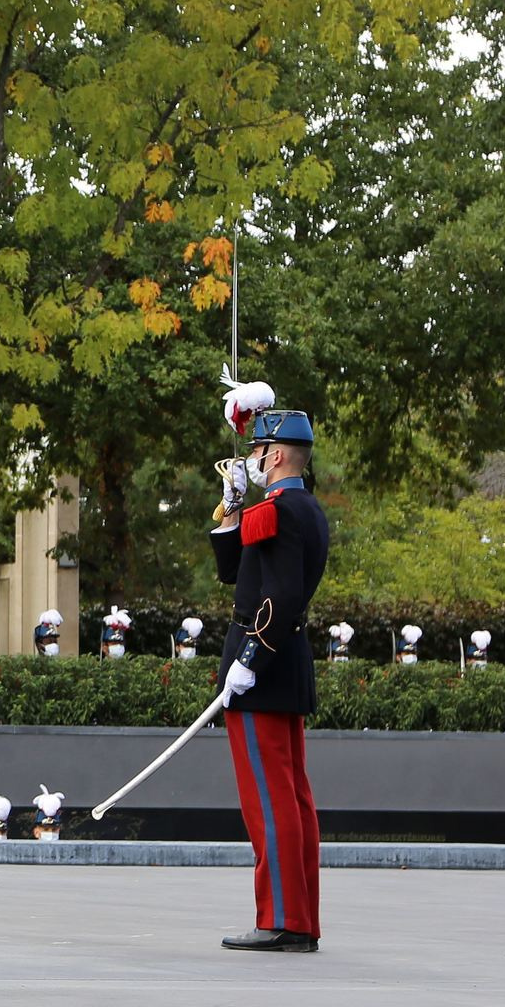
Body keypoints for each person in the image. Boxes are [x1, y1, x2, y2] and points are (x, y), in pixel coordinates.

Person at [210, 402, 331, 952]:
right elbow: (236, 572)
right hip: (285, 664)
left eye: (259, 451)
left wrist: (249, 660)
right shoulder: (295, 507)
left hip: (263, 667)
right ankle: (298, 918)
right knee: (292, 796)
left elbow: (277, 599)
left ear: (276, 455)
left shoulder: (282, 511)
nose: (253, 458)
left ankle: (281, 918)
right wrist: (232, 510)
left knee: (270, 799)